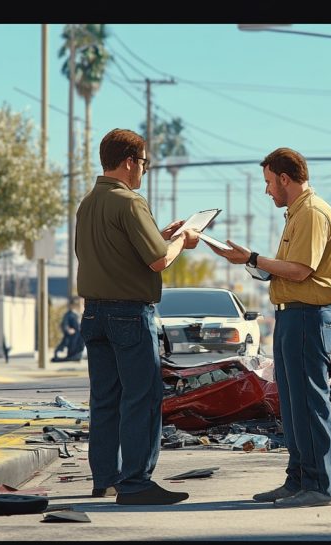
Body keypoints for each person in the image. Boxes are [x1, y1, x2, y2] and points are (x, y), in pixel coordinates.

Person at [207, 147, 331, 509]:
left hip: (308, 317)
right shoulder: (296, 214)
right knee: (294, 404)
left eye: (269, 182)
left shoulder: (312, 213)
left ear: (285, 178)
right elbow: (289, 268)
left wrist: (251, 258)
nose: (267, 190)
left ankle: (319, 485)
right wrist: (254, 262)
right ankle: (298, 480)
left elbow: (301, 270)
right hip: (292, 315)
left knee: (310, 403)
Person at [75, 128, 199, 505]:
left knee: (105, 398)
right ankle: (137, 483)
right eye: (143, 162)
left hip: (93, 313)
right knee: (142, 398)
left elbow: (118, 250)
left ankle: (105, 478)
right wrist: (183, 240)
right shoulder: (130, 202)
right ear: (130, 162)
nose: (144, 169)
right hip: (129, 313)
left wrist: (160, 235)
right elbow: (159, 259)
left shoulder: (88, 203)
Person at [52, 297, 84, 362]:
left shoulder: (78, 314)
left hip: (79, 336)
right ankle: (72, 356)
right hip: (73, 336)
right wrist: (68, 329)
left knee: (79, 346)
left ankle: (76, 356)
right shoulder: (69, 314)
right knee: (71, 346)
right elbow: (64, 324)